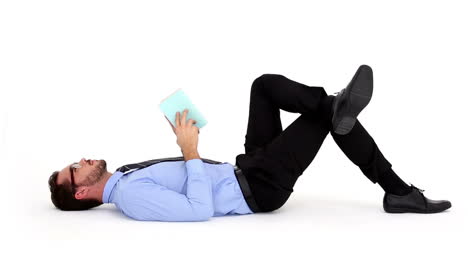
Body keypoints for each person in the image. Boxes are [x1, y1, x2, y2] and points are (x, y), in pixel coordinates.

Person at [48, 65, 451, 221]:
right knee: (329, 114)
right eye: (75, 168)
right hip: (259, 188)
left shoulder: (128, 176)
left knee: (264, 87)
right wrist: (190, 152)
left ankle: (337, 106)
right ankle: (398, 191)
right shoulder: (131, 199)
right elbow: (198, 210)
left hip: (244, 167)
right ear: (82, 191)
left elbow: (192, 182)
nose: (81, 160)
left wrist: (187, 143)